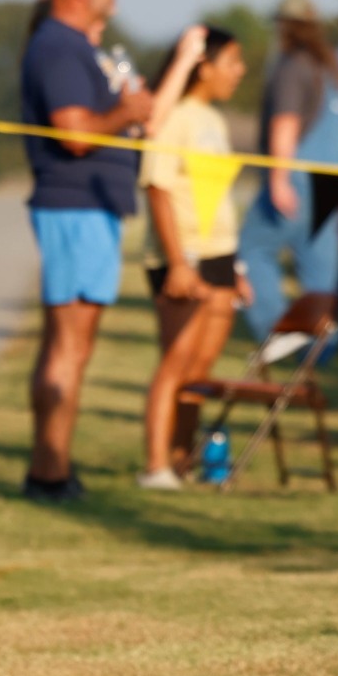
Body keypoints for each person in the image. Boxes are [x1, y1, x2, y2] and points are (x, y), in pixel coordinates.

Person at [19, 0, 153, 502]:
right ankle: (51, 473)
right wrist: (129, 111)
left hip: (87, 206)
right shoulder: (60, 48)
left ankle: (51, 465)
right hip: (75, 204)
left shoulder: (71, 46)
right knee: (71, 345)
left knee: (69, 342)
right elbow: (75, 133)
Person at [138, 27, 250, 490]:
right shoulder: (175, 117)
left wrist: (237, 266)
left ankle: (184, 459)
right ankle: (156, 465)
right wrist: (178, 263)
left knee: (200, 371)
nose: (239, 72)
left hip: (221, 255)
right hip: (182, 255)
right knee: (176, 363)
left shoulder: (214, 120)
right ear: (204, 67)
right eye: (232, 62)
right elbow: (158, 188)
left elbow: (216, 200)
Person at [238, 0, 338, 346]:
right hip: (332, 181)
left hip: (297, 178)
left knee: (252, 252)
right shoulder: (333, 67)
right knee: (319, 269)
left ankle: (278, 335)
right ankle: (321, 347)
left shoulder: (292, 65)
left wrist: (278, 179)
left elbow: (284, 124)